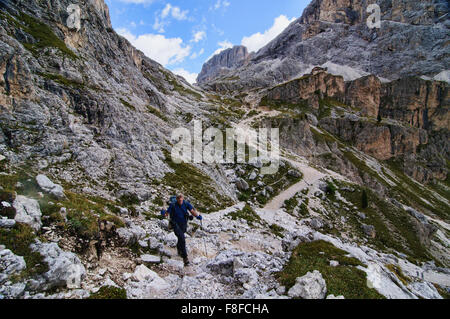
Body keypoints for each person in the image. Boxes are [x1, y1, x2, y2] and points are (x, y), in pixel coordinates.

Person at [162, 194, 202, 266]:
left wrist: (197, 216)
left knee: (181, 237)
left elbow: (192, 211)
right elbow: (166, 214)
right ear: (177, 199)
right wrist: (163, 212)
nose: (180, 201)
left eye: (181, 199)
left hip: (183, 224)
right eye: (179, 200)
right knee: (182, 238)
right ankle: (185, 258)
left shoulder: (186, 203)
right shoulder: (173, 205)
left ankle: (179, 249)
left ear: (183, 198)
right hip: (175, 224)